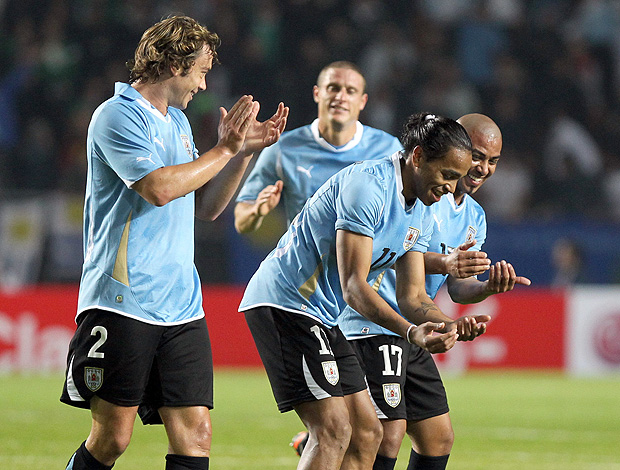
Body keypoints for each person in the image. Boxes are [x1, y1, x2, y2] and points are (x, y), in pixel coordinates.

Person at [60, 16, 288, 470]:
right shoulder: (116, 114)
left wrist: (242, 152)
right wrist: (222, 150)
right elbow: (159, 188)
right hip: (123, 299)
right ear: (175, 63)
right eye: (201, 71)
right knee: (112, 439)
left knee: (196, 436)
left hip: (182, 305)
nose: (203, 85)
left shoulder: (179, 124)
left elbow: (206, 208)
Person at [239, 112, 486, 470]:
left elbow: (413, 297)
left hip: (324, 316)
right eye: (447, 175)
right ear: (417, 157)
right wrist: (411, 332)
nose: (451, 188)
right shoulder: (368, 185)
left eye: (457, 179)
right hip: (287, 302)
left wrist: (449, 325)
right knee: (333, 428)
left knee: (369, 432)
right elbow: (354, 287)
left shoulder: (421, 210)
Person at [337, 113, 532, 470]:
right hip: (378, 322)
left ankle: (329, 444)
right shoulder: (425, 189)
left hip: (417, 324)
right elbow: (395, 250)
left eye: (493, 161)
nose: (483, 168)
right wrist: (446, 262)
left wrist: (487, 287)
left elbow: (457, 290)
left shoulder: (474, 216)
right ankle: (329, 446)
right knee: (387, 433)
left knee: (438, 437)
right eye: (476, 155)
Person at [234, 61, 402, 233]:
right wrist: (257, 211)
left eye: (350, 91)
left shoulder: (388, 150)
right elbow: (241, 222)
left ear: (362, 101)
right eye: (333, 88)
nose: (340, 97)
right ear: (317, 93)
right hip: (305, 260)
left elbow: (412, 214)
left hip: (369, 260)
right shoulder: (283, 149)